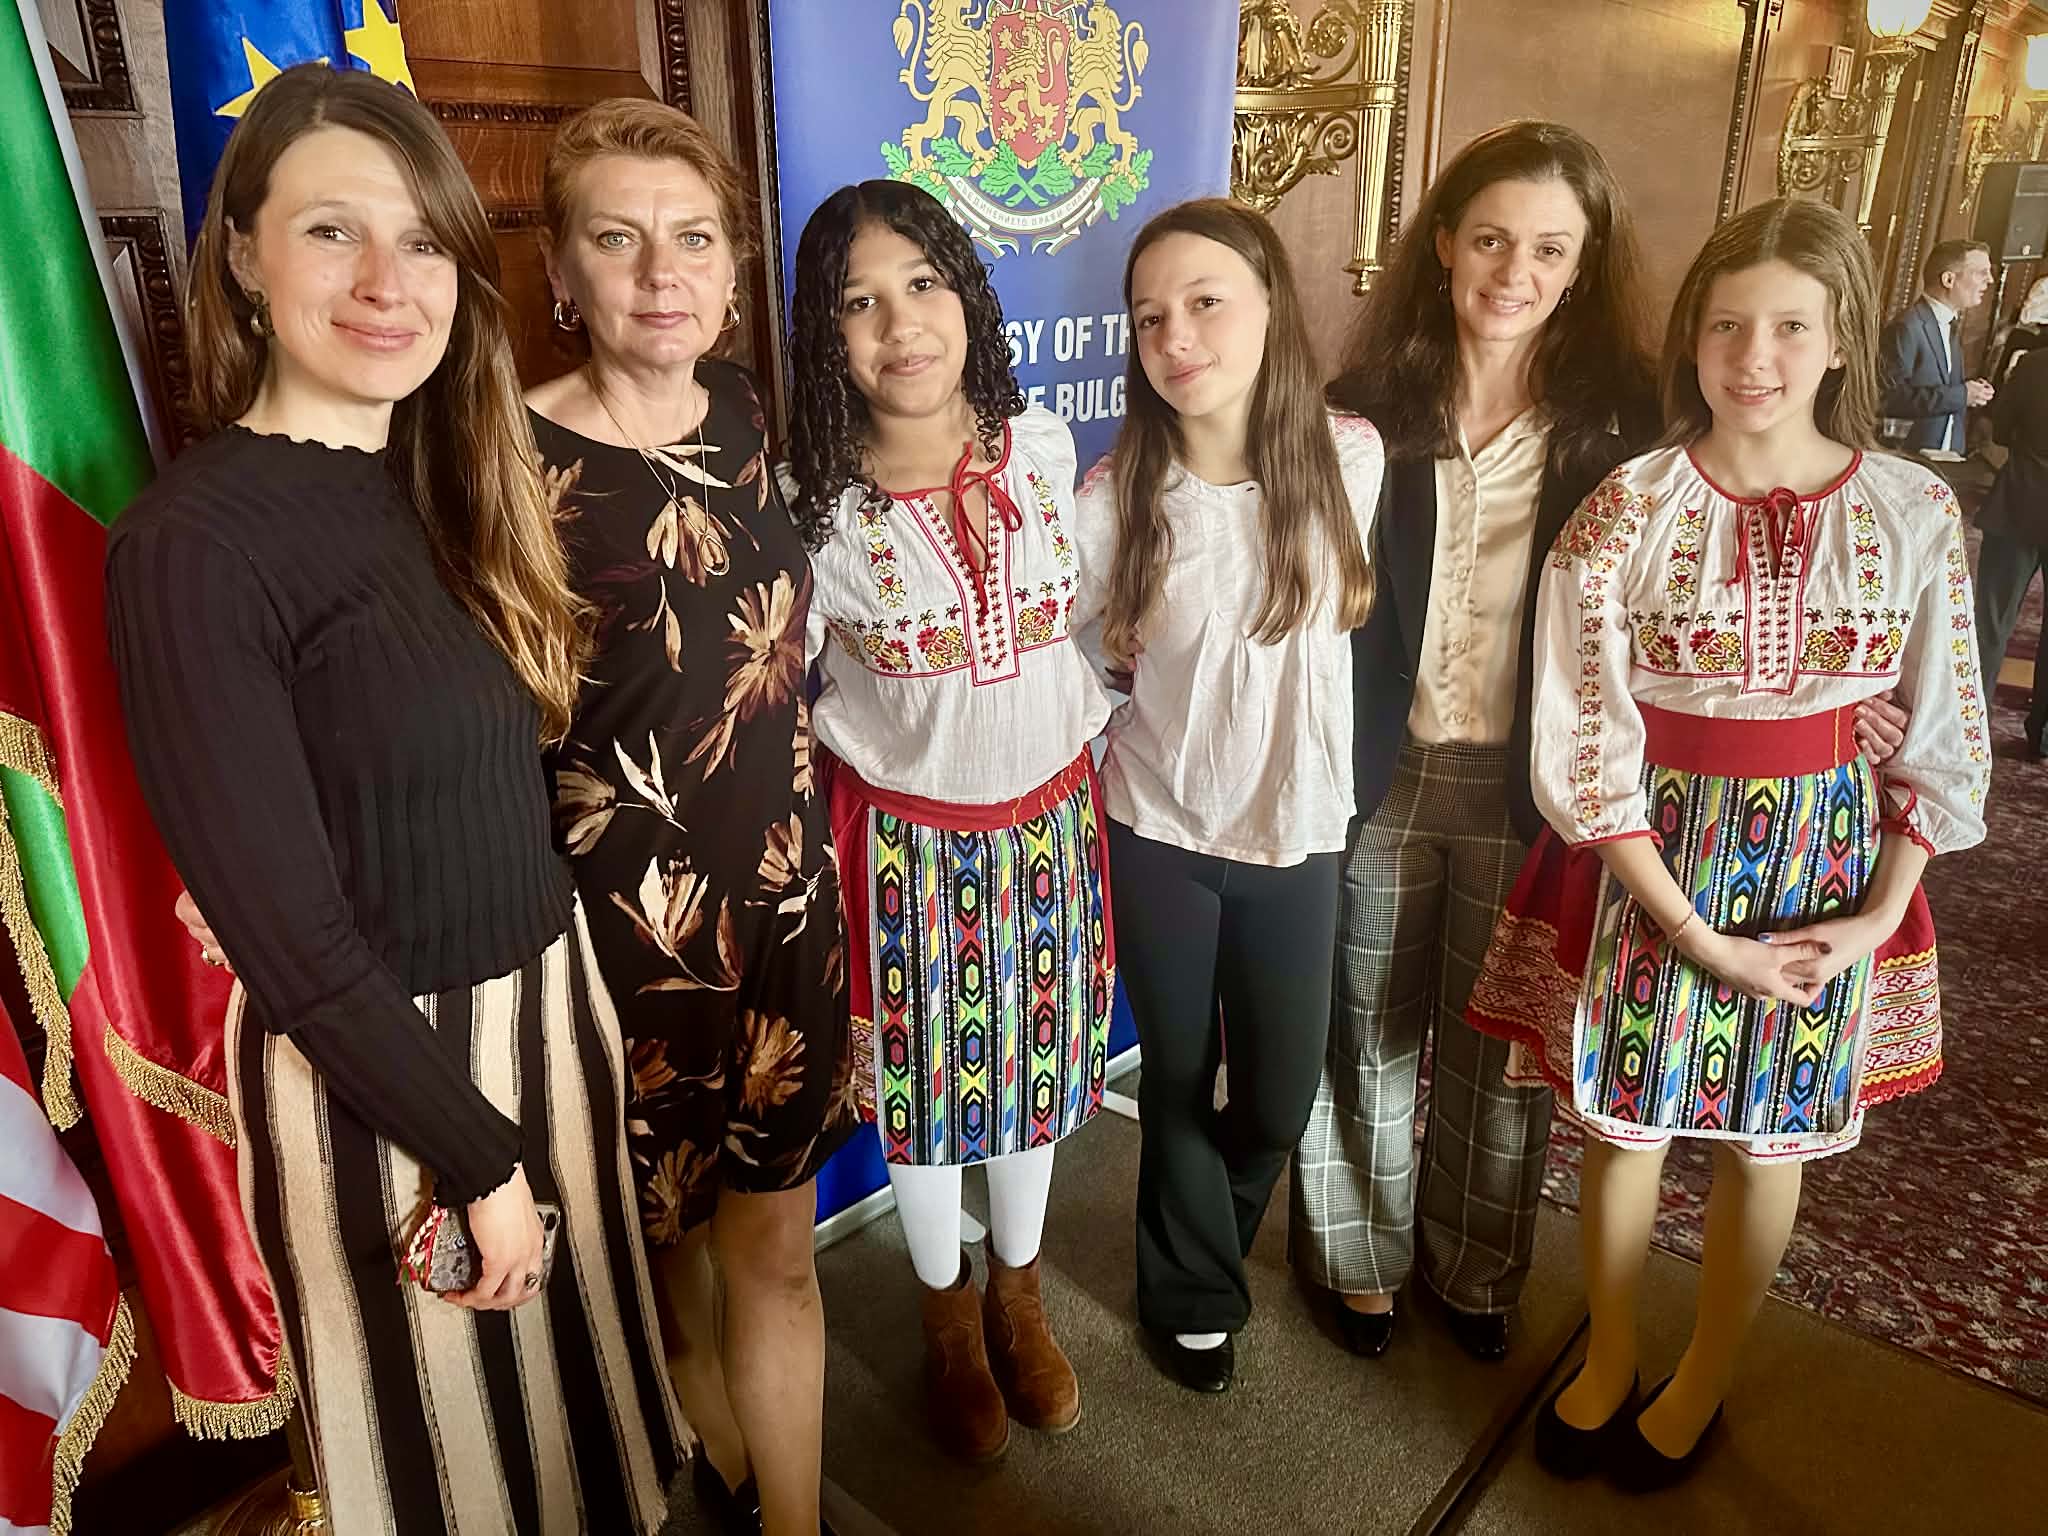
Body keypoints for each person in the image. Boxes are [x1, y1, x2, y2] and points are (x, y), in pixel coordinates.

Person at [107, 67, 683, 1535]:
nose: (386, 283)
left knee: (587, 1453)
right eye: (329, 234)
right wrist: (480, 1156)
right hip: (399, 1090)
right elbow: (288, 938)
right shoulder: (195, 544)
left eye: (422, 241)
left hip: (545, 1028)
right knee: (462, 1489)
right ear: (241, 255)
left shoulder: (440, 473)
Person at [1465, 197, 1989, 1489]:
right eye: (1727, 325)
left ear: (1840, 341)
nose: (1755, 355)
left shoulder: (1913, 512)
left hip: (1825, 861)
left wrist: (1873, 918)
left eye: (1791, 326)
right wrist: (1684, 924)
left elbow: (1942, 728)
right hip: (1656, 856)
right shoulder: (1624, 510)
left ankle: (1704, 1373)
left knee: (1774, 1135)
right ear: (1691, 341)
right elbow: (1582, 736)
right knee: (1627, 1127)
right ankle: (1608, 1351)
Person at [528, 99, 855, 1536]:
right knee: (659, 1255)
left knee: (776, 1253)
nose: (660, 271)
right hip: (621, 943)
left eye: (694, 239)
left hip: (785, 911)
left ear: (730, 273)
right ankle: (699, 1441)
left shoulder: (742, 417)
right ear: (561, 271)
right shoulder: (502, 462)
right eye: (618, 237)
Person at [1285, 120, 1656, 1366]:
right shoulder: (1362, 413)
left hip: (1528, 791)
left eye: (1548, 248)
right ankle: (1356, 1257)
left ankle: (1477, 1266)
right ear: (1442, 244)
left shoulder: (1620, 429)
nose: (1513, 270)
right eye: (1489, 237)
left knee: (1499, 1050)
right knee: (1364, 1027)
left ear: (1581, 264)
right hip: (1378, 776)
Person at [784, 180, 1116, 1464]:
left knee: (1026, 1079)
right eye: (859, 303)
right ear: (827, 336)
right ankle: (942, 1323)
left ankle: (1016, 1297)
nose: (899, 325)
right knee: (929, 1098)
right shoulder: (820, 508)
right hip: (905, 843)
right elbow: (773, 680)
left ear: (965, 294)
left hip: (1047, 829)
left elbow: (1089, 615)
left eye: (921, 284)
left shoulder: (1035, 451)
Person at [1072, 199, 1382, 1393]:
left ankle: (1204, 1235)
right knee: (1177, 1061)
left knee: (1272, 1092)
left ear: (1267, 307)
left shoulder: (1347, 458)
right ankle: (1188, 1286)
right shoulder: (1115, 498)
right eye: (1150, 316)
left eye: (1205, 302)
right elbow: (1080, 658)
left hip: (1295, 830)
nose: (1176, 337)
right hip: (1154, 827)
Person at [1973, 341, 2048, 757]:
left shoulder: (2034, 364)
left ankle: (1969, 722)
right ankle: (2044, 736)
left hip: (2018, 502)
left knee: (1990, 623)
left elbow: (1999, 428)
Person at [1879, 237, 1994, 453]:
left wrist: (1970, 391)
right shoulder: (1908, 327)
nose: (1990, 280)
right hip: (1909, 458)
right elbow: (1885, 399)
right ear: (1949, 280)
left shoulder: (1949, 323)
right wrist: (1961, 395)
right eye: (1981, 272)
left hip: (1945, 457)